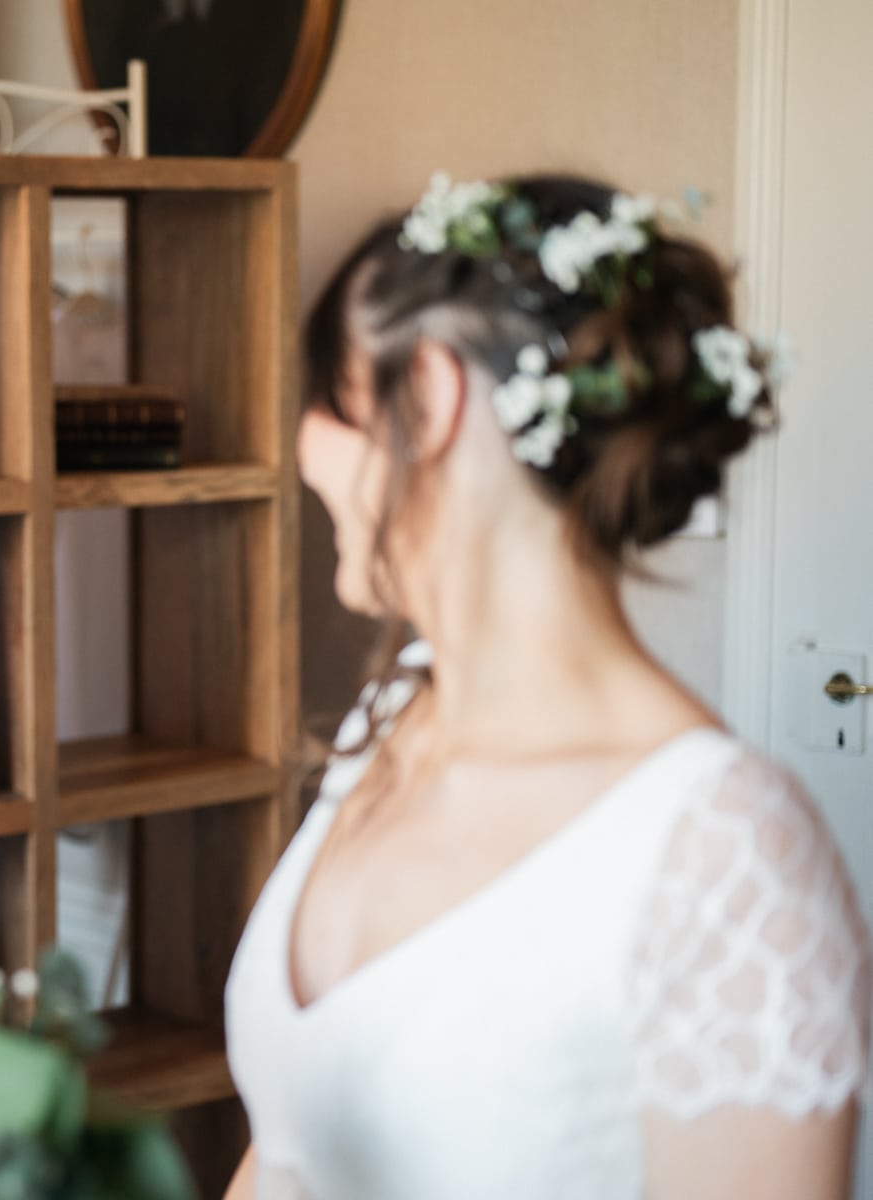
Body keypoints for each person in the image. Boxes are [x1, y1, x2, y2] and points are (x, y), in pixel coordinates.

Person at [223, 173, 871, 1198]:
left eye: (326, 396)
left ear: (427, 397)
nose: (303, 444)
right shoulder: (394, 723)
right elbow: (284, 1153)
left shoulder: (725, 857)